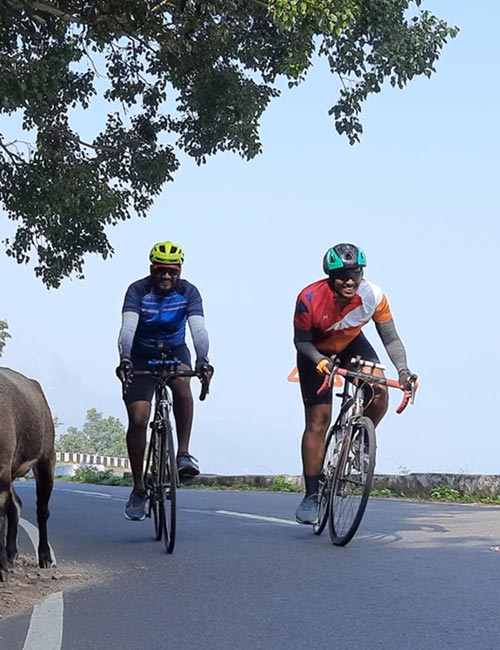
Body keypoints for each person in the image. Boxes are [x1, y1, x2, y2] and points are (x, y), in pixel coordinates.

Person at [293, 243, 417, 524]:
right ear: (330, 276)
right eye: (342, 275)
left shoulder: (373, 295)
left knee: (378, 391)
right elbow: (301, 341)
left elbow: (391, 338)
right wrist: (319, 361)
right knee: (318, 420)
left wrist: (404, 370)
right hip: (314, 350)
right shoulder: (309, 298)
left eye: (355, 273)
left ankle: (359, 441)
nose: (350, 280)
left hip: (350, 344)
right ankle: (311, 495)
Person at [116, 241, 212, 521]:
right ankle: (138, 488)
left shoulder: (189, 292)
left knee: (182, 384)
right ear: (151, 270)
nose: (166, 277)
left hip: (174, 349)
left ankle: (183, 453)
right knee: (138, 417)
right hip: (140, 353)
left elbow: (198, 330)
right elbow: (128, 328)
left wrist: (203, 360)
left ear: (179, 270)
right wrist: (125, 358)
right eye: (161, 271)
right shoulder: (138, 290)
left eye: (172, 271)